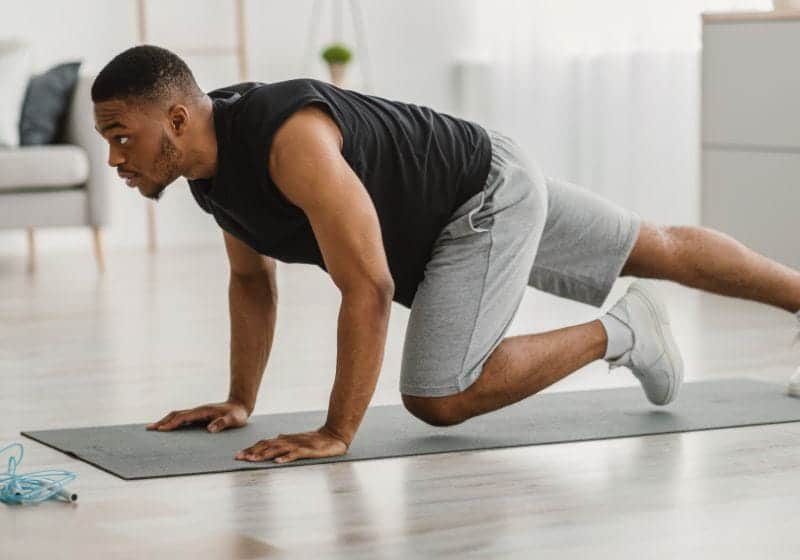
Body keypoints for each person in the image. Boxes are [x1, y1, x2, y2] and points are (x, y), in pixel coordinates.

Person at [91, 45, 800, 465]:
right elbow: (250, 283)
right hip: (475, 179)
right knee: (657, 245)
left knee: (438, 394)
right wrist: (244, 399)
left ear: (177, 119)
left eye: (123, 135)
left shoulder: (287, 141)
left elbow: (367, 285)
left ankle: (624, 330)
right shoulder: (210, 177)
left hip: (481, 193)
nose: (115, 158)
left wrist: (338, 433)